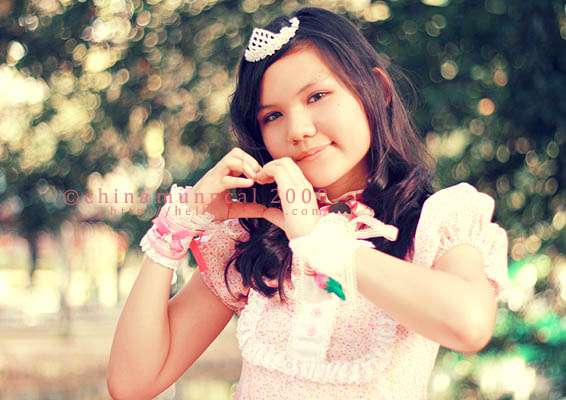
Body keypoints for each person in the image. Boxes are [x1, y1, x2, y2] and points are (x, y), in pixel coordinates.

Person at [107, 7, 510, 400]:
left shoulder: (435, 219)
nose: (298, 130)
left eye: (317, 96)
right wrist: (176, 227)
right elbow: (133, 383)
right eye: (272, 116)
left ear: (378, 90)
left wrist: (319, 242)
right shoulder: (256, 236)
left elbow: (469, 325)